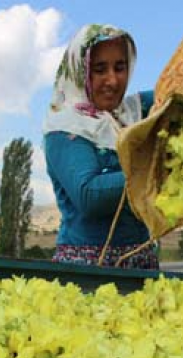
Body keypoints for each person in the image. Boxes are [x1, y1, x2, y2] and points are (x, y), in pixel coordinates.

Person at [43, 24, 158, 269]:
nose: (112, 80)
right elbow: (89, 196)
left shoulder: (133, 112)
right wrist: (154, 169)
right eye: (99, 69)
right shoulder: (65, 128)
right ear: (80, 71)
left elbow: (178, 92)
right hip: (88, 272)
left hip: (141, 265)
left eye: (120, 67)